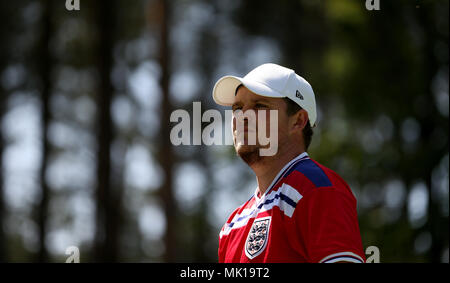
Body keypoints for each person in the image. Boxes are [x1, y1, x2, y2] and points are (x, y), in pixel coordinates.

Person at [212, 63, 365, 263]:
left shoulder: (318, 190)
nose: (242, 117)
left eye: (259, 106)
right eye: (238, 108)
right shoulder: (232, 225)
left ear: (298, 121)